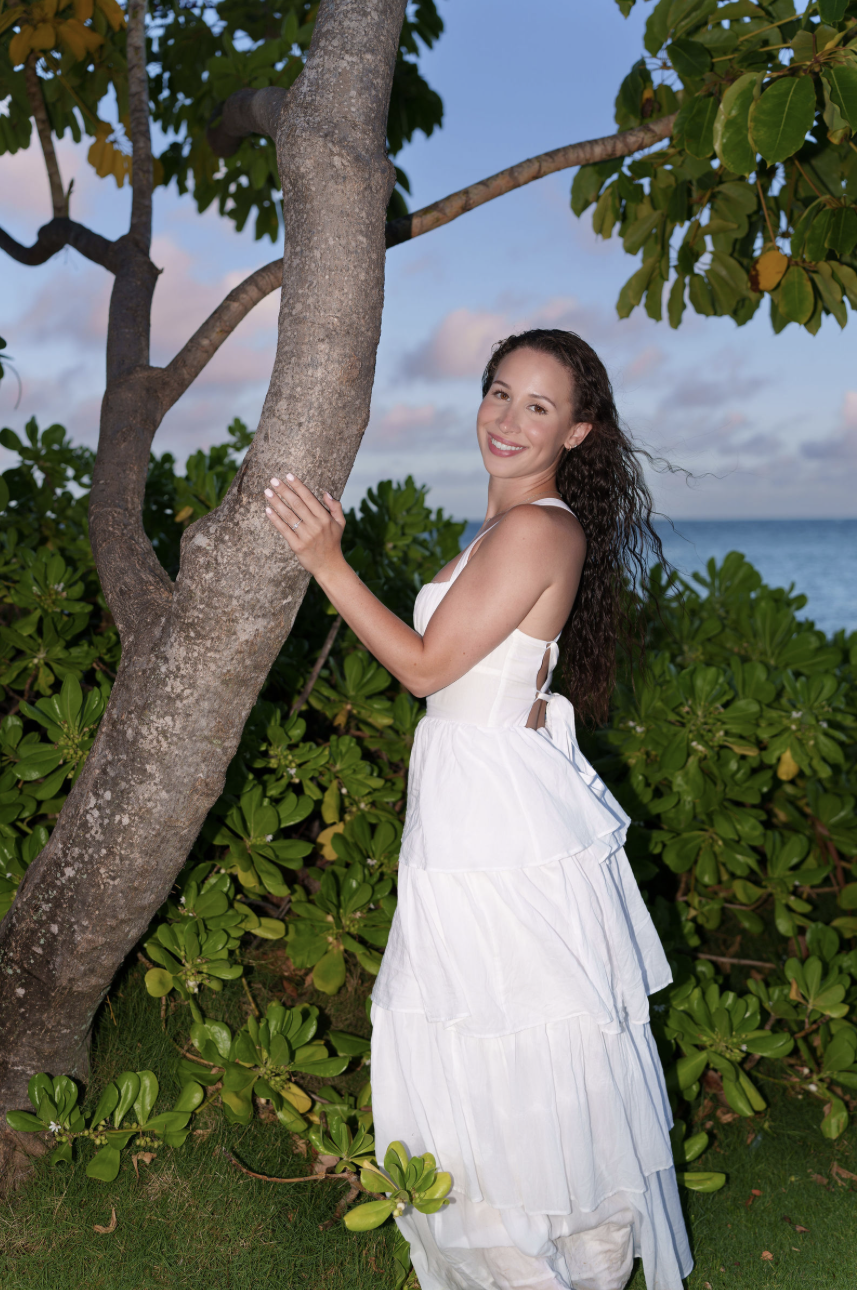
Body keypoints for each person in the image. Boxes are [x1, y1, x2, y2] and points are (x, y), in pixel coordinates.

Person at [264, 328, 693, 1290]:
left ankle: (537, 1263)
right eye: (499, 393)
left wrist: (326, 560)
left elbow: (425, 669)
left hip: (492, 816)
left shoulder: (537, 527)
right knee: (488, 1020)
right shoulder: (507, 528)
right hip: (477, 790)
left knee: (504, 1024)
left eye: (537, 407)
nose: (506, 419)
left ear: (577, 431)